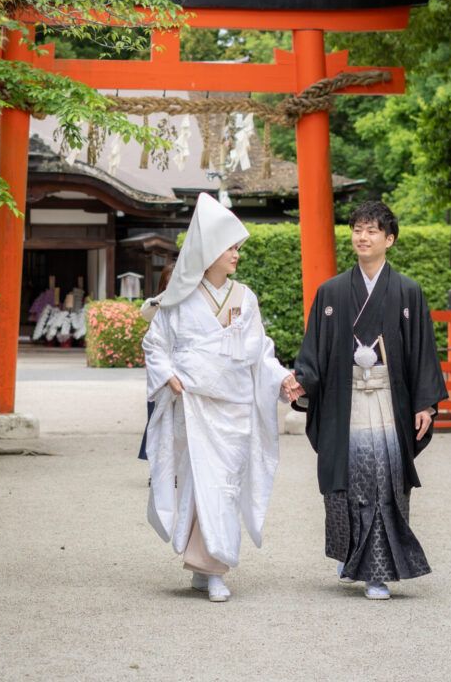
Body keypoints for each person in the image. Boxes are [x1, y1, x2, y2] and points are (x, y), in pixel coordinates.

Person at [142, 192, 300, 602]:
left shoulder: (245, 298)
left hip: (234, 406)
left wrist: (282, 379)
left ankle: (212, 562)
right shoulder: (179, 299)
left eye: (237, 247)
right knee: (201, 483)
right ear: (209, 251)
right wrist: (169, 376)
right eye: (230, 247)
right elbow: (154, 343)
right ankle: (211, 567)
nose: (236, 255)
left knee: (226, 484)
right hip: (194, 404)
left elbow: (260, 352)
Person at [292, 200, 448, 600]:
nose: (362, 236)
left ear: (389, 239)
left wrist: (424, 404)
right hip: (345, 403)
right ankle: (349, 553)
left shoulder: (408, 292)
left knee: (383, 482)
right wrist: (300, 381)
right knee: (345, 482)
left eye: (372, 230)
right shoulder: (331, 292)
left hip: (387, 401)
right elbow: (315, 351)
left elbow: (422, 353)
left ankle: (377, 570)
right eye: (358, 229)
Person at [138, 263, 175, 463]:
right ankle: (155, 464)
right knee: (156, 415)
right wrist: (163, 298)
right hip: (160, 368)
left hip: (182, 368)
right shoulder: (155, 304)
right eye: (170, 283)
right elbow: (145, 313)